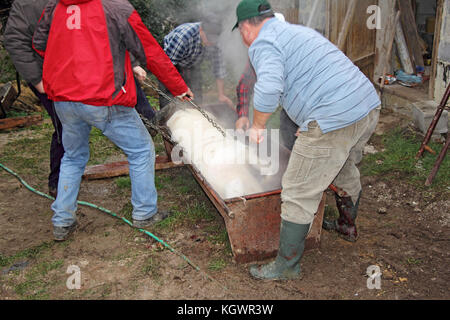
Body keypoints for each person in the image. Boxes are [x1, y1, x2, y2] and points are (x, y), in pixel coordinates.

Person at [234, 0, 381, 280]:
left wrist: (257, 127)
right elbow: (314, 77)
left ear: (245, 27)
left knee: (298, 190)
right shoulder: (297, 32)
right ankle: (346, 225)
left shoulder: (263, 44)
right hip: (365, 106)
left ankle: (286, 266)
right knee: (343, 166)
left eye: (240, 32)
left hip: (334, 115)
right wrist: (312, 121)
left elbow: (268, 87)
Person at [32, 0, 193, 241]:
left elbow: (39, 45)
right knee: (141, 150)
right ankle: (145, 213)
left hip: (64, 97)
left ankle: (62, 221)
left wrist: (71, 58)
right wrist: (178, 87)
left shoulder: (55, 6)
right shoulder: (115, 6)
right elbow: (149, 51)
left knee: (73, 156)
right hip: (102, 95)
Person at [3, 0, 160, 197]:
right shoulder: (28, 3)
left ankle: (150, 123)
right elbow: (15, 41)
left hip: (94, 67)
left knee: (126, 91)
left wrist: (133, 63)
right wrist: (37, 79)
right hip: (54, 78)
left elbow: (112, 29)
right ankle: (58, 184)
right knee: (65, 130)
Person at [234, 13, 298, 150]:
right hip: (284, 104)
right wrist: (243, 115)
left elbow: (311, 89)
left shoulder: (295, 50)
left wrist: (307, 122)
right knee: (281, 131)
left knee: (295, 137)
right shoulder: (260, 50)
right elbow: (244, 85)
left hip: (305, 106)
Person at [159, 14, 233, 110]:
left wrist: (221, 94)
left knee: (196, 100)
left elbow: (219, 67)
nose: (211, 43)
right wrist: (181, 88)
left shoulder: (216, 42)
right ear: (201, 30)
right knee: (169, 100)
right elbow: (167, 67)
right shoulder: (183, 37)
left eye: (214, 40)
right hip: (170, 64)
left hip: (193, 64)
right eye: (209, 39)